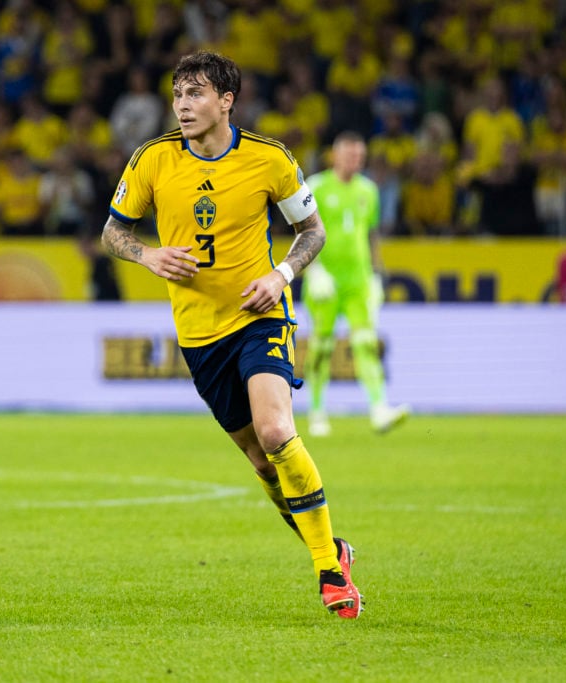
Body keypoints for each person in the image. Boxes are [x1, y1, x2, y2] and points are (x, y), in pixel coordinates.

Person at [101, 51, 362, 619]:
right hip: (199, 335)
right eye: (177, 94)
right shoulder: (153, 159)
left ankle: (328, 575)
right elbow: (113, 232)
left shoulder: (270, 160)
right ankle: (333, 548)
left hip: (259, 315)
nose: (182, 105)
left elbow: (310, 231)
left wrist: (282, 274)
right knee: (264, 465)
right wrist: (148, 255)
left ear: (226, 101)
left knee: (274, 430)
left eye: (195, 94)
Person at [303, 131, 410, 436]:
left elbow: (371, 235)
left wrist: (377, 275)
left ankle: (379, 410)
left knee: (366, 344)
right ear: (335, 155)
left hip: (358, 280)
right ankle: (317, 411)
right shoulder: (317, 186)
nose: (356, 161)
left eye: (360, 156)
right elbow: (302, 230)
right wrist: (313, 270)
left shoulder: (369, 190)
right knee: (322, 347)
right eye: (351, 155)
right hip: (325, 280)